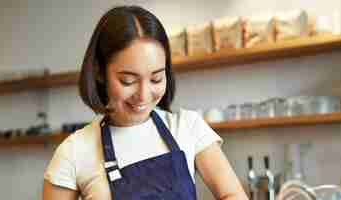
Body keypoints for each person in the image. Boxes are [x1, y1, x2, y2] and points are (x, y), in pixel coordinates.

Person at [42, 5, 248, 200]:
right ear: (99, 72)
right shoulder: (74, 152)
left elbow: (232, 195)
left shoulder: (188, 127)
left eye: (156, 79)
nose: (143, 95)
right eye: (128, 81)